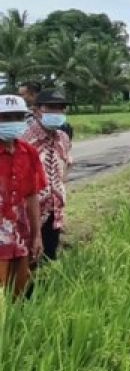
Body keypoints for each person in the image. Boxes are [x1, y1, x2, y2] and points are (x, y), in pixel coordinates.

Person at [0, 93, 45, 299]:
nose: (12, 123)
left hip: (20, 236)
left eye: (17, 117)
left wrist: (36, 235)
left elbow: (32, 196)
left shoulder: (28, 152)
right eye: (5, 118)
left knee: (18, 294)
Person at [24, 90, 73, 261]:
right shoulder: (24, 139)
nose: (57, 113)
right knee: (28, 261)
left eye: (61, 108)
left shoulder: (63, 138)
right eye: (51, 108)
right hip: (28, 212)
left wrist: (59, 189)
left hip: (54, 210)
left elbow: (67, 164)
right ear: (37, 110)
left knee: (49, 257)